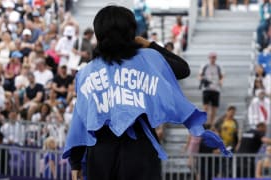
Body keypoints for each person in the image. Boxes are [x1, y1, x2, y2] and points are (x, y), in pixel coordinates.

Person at [63, 6, 230, 180]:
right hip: (140, 148)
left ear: (98, 34)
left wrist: (75, 162)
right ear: (132, 32)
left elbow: (81, 118)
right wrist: (149, 44)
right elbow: (182, 68)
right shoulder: (148, 59)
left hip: (101, 151)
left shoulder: (87, 72)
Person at [199, 52, 223, 125]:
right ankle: (205, 122)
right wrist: (203, 80)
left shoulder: (218, 67)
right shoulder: (205, 66)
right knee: (205, 106)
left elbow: (222, 76)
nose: (212, 59)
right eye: (211, 57)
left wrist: (220, 82)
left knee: (214, 108)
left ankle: (211, 123)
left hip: (215, 89)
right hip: (207, 89)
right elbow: (200, 75)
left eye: (214, 57)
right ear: (209, 58)